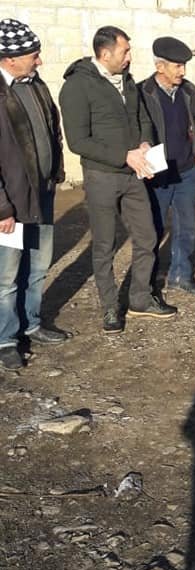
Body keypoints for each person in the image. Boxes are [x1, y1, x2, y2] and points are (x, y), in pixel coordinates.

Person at [59, 26, 177, 334]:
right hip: (102, 176)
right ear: (105, 53)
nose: (129, 57)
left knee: (148, 237)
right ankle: (110, 306)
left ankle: (140, 299)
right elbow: (78, 141)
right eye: (125, 51)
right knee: (104, 244)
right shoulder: (77, 86)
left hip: (134, 174)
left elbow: (142, 119)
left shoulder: (127, 80)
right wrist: (123, 155)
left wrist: (144, 143)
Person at [0, 19, 68, 369]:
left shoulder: (36, 85)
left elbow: (53, 129)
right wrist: (2, 208)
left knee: (38, 265)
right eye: (33, 55)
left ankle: (32, 322)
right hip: (12, 204)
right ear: (10, 59)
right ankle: (6, 338)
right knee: (7, 276)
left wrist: (56, 172)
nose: (39, 60)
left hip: (42, 194)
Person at [140, 37, 195, 295]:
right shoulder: (142, 93)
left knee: (186, 226)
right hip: (158, 172)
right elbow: (136, 129)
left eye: (184, 66)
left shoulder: (189, 92)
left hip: (187, 170)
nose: (183, 71)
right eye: (177, 66)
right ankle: (149, 282)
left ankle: (182, 275)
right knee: (153, 228)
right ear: (160, 66)